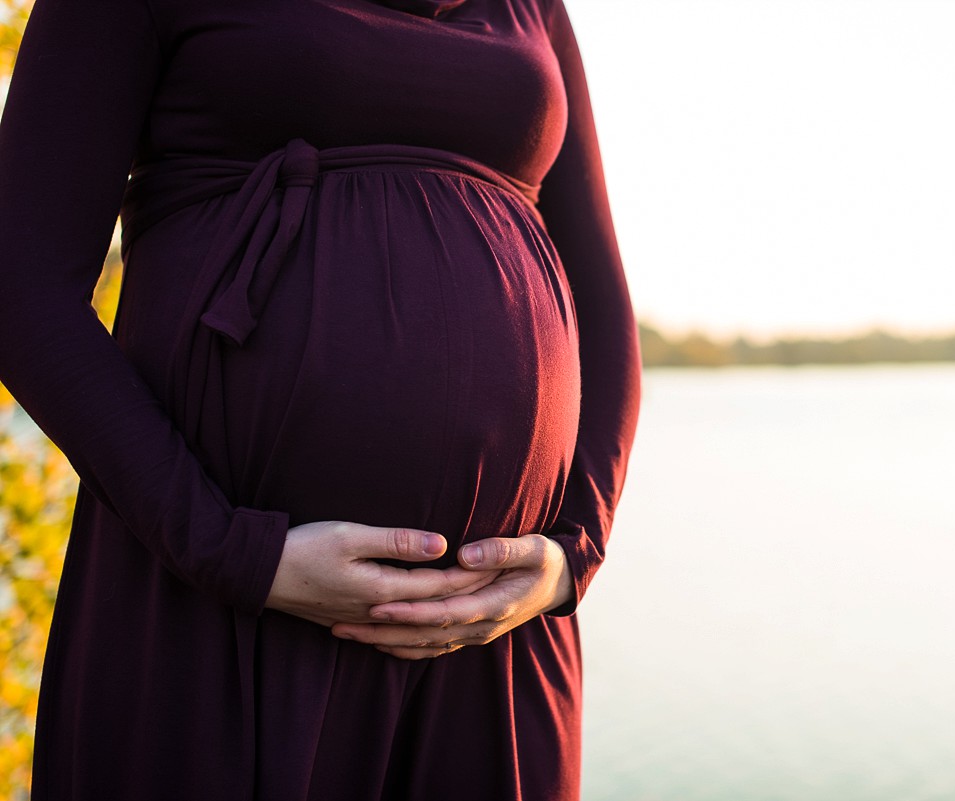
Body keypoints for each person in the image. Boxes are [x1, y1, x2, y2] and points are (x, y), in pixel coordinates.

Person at [0, 0, 640, 798]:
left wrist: (574, 554)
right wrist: (232, 551)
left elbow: (602, 293)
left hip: (496, 633)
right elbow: (22, 285)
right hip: (223, 613)